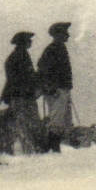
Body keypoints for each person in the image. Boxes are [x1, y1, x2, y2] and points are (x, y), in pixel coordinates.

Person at [0, 33, 44, 155]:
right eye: (29, 40)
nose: (31, 42)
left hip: (17, 95)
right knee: (27, 123)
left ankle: (29, 150)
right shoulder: (22, 56)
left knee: (23, 123)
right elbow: (27, 77)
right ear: (23, 43)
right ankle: (31, 150)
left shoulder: (14, 56)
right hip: (23, 96)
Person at [38, 23, 74, 152]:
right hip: (57, 90)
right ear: (58, 35)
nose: (68, 35)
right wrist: (51, 87)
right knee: (57, 118)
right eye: (65, 33)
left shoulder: (59, 48)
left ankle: (54, 146)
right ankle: (52, 147)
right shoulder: (53, 49)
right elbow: (42, 68)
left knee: (61, 118)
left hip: (61, 89)